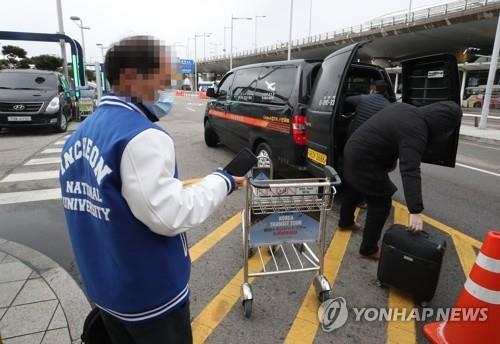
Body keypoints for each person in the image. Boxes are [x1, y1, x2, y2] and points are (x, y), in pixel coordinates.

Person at [59, 36, 244, 344]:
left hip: (105, 287)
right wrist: (222, 181)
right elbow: (169, 215)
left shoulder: (80, 135)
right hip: (148, 297)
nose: (168, 90)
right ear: (131, 78)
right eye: (162, 79)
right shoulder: (141, 136)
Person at [338, 101, 462, 259]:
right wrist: (415, 210)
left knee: (355, 186)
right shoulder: (417, 129)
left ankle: (345, 222)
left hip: (353, 149)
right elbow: (410, 170)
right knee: (381, 203)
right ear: (442, 126)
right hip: (366, 159)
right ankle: (368, 249)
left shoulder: (405, 108)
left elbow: (386, 134)